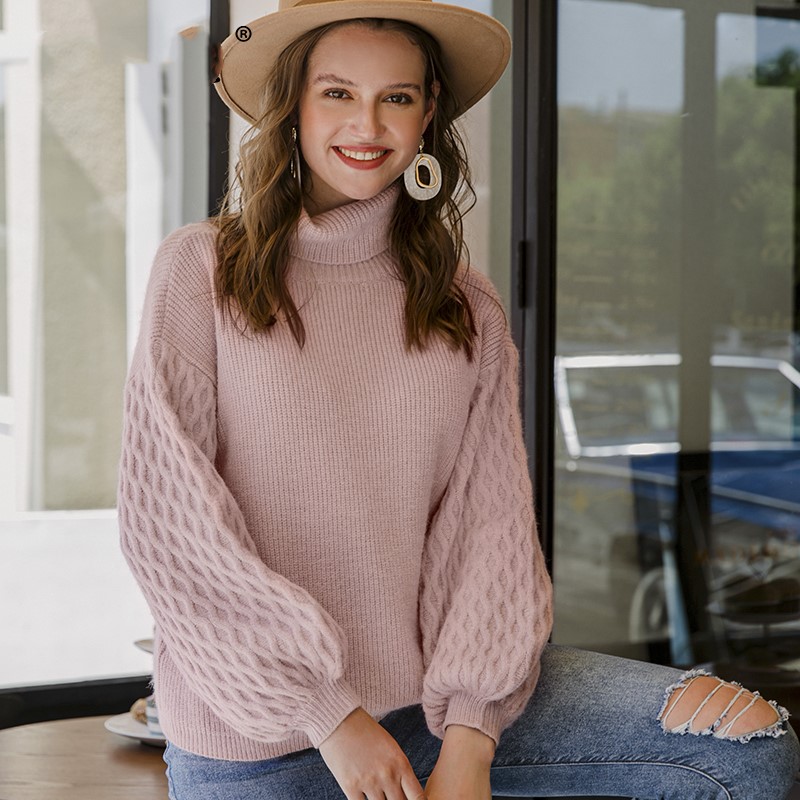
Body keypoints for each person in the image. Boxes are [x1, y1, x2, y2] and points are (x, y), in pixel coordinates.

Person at [116, 1, 800, 798]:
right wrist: (332, 716)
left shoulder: (464, 304)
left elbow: (491, 527)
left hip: (438, 709)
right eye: (337, 93)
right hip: (265, 736)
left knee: (748, 748)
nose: (367, 124)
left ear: (429, 112)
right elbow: (169, 529)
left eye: (397, 97)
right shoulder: (202, 271)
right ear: (293, 105)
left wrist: (470, 743)